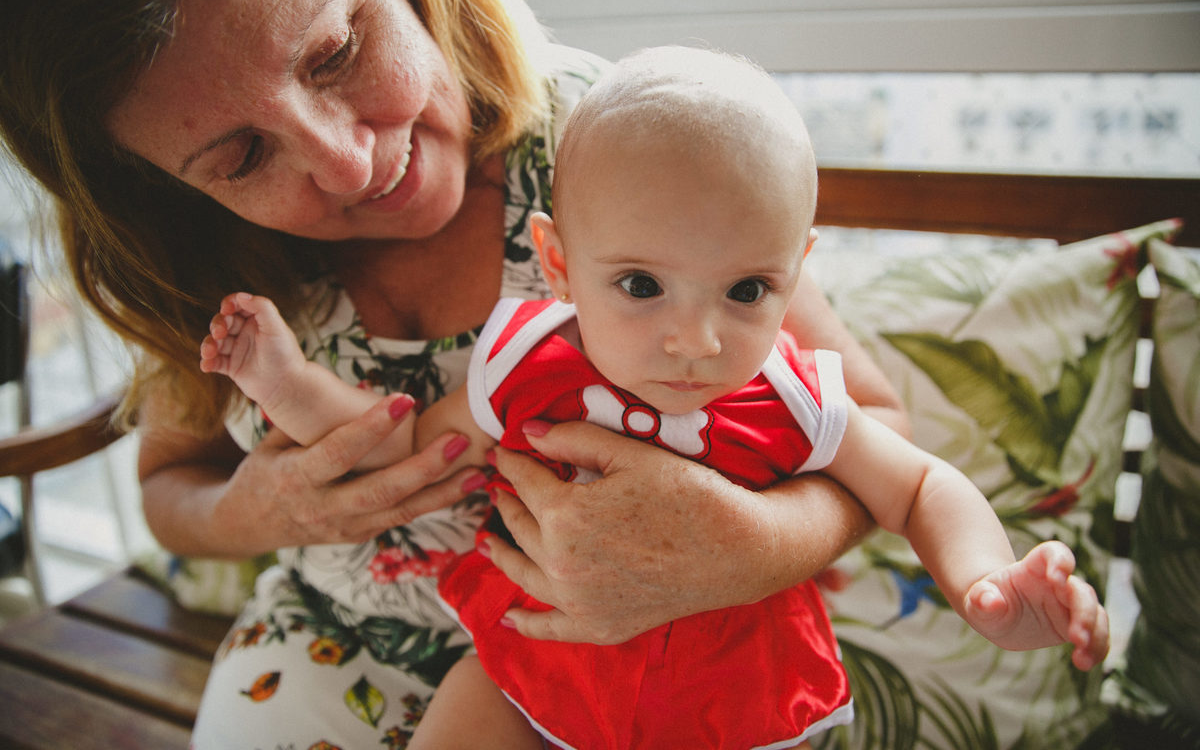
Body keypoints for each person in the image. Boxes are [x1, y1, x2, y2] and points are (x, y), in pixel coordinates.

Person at [0, 0, 911, 746]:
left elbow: (874, 425)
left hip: (648, 650)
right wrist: (261, 513)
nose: (347, 161)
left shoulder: (617, 141)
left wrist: (755, 548)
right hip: (336, 645)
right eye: (241, 156)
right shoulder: (207, 263)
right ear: (163, 188)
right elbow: (169, 491)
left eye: (335, 53)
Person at [200, 46, 1110, 750]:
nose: (697, 341)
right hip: (530, 672)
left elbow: (916, 486)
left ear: (796, 275)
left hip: (732, 703)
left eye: (748, 291)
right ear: (556, 264)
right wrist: (282, 382)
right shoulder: (524, 362)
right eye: (641, 286)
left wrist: (988, 582)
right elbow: (398, 451)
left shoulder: (792, 397)